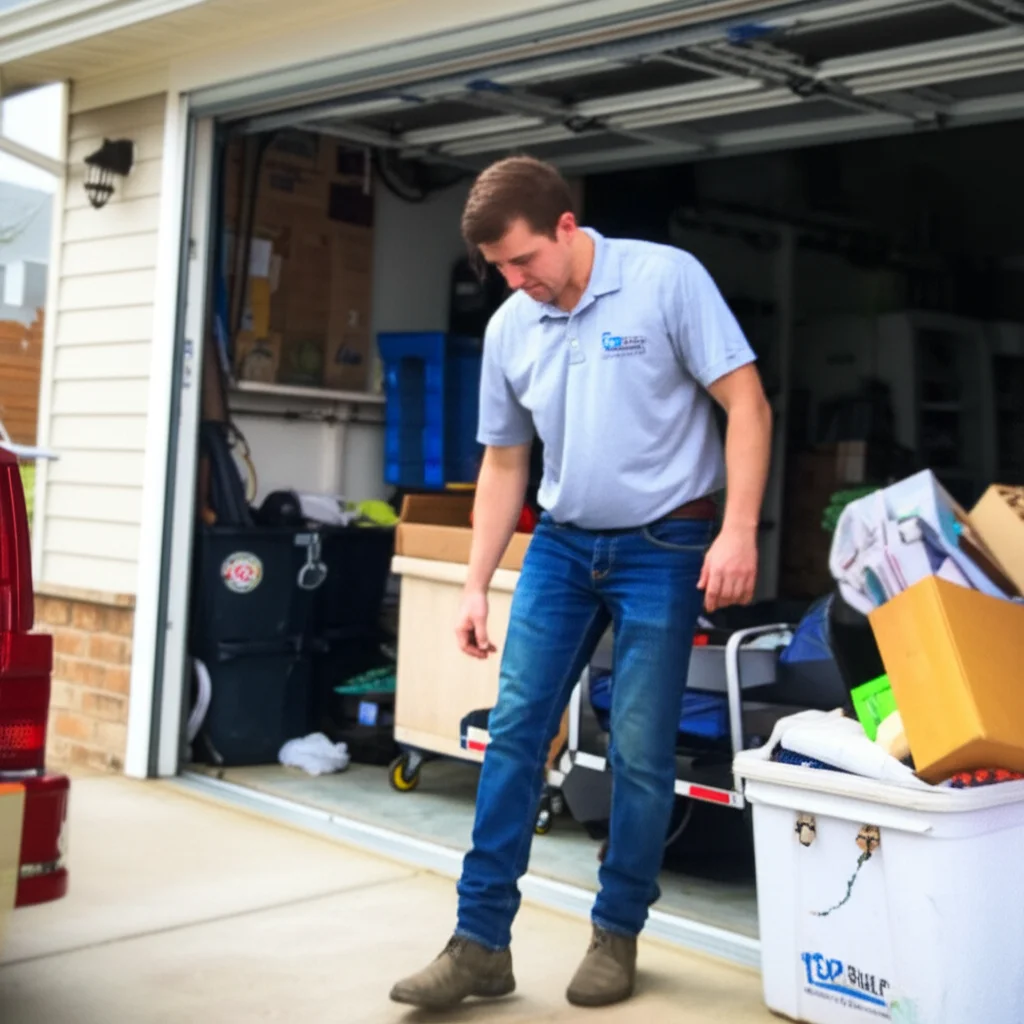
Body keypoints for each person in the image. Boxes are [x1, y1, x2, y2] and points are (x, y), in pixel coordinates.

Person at [390, 156, 772, 1012]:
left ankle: (618, 931)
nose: (515, 281)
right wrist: (475, 584)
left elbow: (746, 403)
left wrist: (738, 528)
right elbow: (504, 461)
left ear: (567, 226)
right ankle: (480, 944)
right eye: (499, 270)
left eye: (523, 261)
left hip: (666, 544)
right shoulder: (511, 327)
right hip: (562, 547)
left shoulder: (664, 279)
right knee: (516, 735)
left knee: (638, 749)